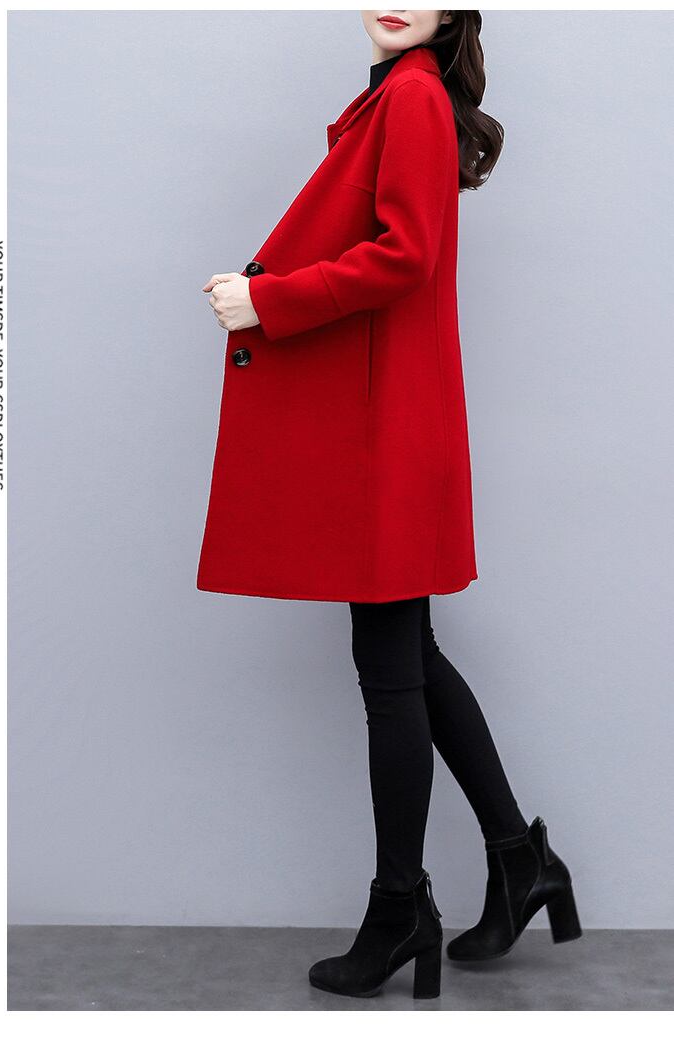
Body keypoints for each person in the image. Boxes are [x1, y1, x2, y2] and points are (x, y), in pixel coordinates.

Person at [197, 11, 581, 1000]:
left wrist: (269, 301)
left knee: (389, 671)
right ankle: (519, 858)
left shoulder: (409, 97)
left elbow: (404, 254)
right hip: (395, 415)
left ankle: (401, 904)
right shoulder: (402, 98)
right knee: (409, 652)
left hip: (386, 424)